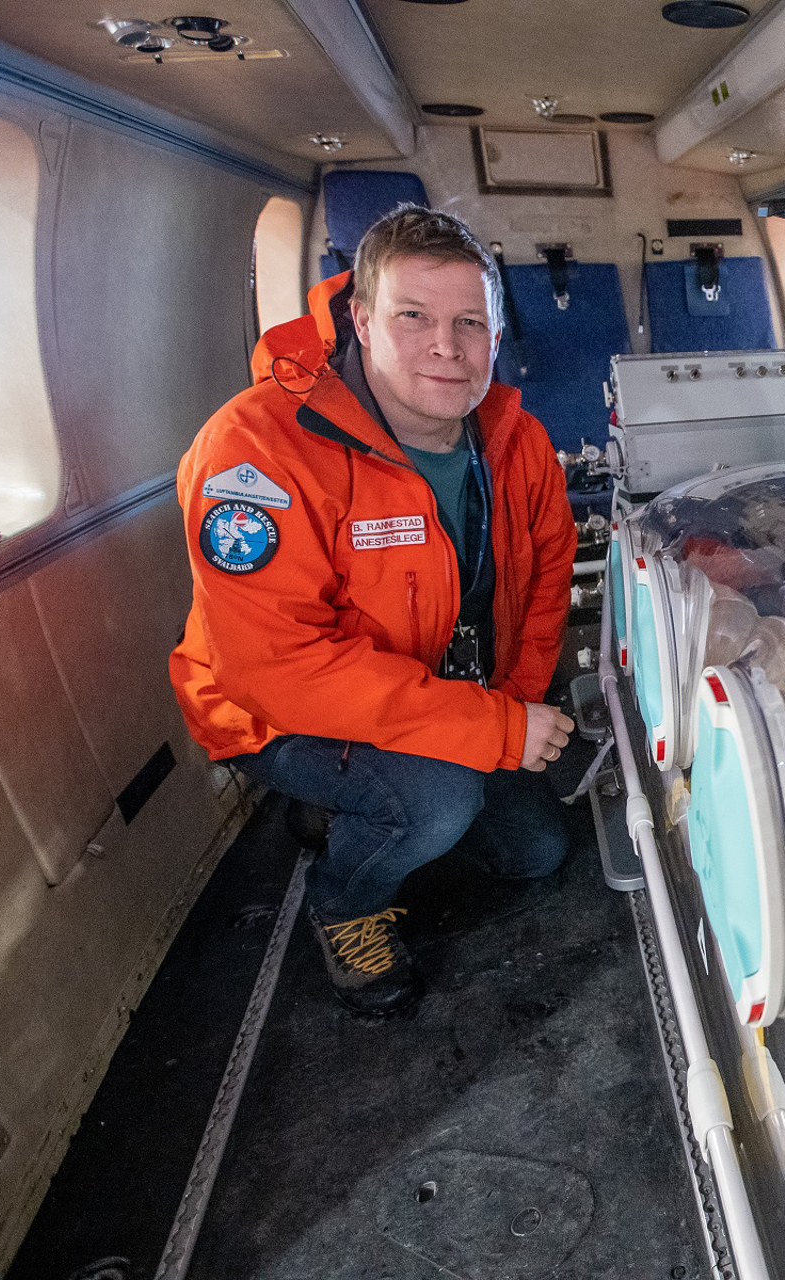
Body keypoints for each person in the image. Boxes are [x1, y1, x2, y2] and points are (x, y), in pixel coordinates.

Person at [169, 206, 578, 1018]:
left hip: (440, 694)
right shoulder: (257, 450)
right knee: (437, 801)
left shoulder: (516, 439)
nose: (447, 347)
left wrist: (516, 703)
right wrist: (494, 732)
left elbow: (546, 582)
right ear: (360, 320)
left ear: (496, 333)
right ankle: (344, 902)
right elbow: (279, 669)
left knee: (537, 853)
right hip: (277, 712)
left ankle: (355, 804)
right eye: (413, 316)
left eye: (470, 322)